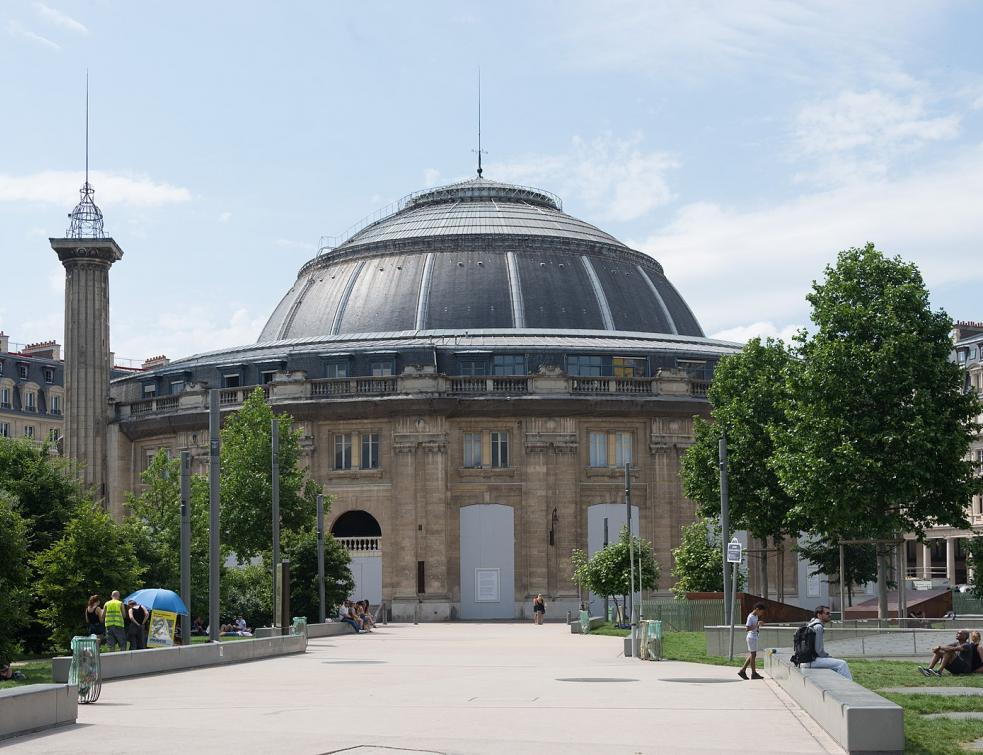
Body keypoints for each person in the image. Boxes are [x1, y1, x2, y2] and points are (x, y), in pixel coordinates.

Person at [804, 605, 852, 680]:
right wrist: (828, 657)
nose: (830, 615)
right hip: (811, 661)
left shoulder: (811, 624)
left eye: (830, 613)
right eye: (827, 613)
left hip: (805, 660)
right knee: (842, 664)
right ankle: (850, 688)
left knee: (834, 666)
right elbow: (819, 651)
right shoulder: (818, 627)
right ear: (819, 615)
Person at [738, 602, 766, 680]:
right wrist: (757, 625)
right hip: (751, 637)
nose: (761, 614)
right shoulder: (750, 616)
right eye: (761, 612)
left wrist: (758, 626)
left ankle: (742, 671)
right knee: (753, 655)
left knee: (752, 655)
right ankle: (753, 673)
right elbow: (747, 628)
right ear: (757, 609)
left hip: (754, 637)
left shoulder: (756, 616)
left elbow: (755, 627)